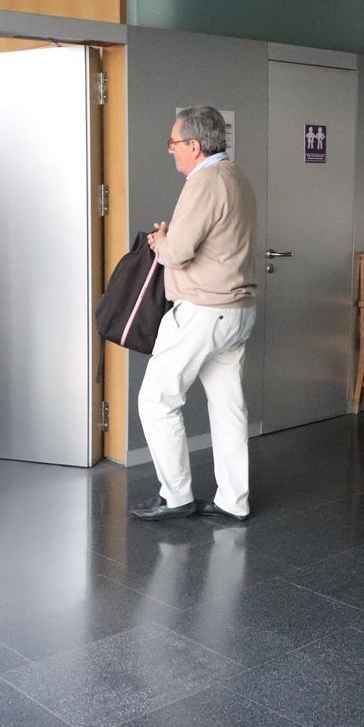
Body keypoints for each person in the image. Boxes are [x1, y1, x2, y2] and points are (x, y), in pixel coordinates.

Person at [130, 105, 258, 523]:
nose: (171, 151)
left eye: (174, 143)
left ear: (194, 145)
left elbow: (179, 252)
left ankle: (176, 495)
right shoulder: (237, 177)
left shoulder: (204, 182)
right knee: (227, 408)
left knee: (157, 400)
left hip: (203, 311)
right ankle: (232, 501)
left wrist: (160, 240)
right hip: (237, 311)